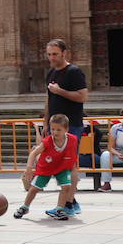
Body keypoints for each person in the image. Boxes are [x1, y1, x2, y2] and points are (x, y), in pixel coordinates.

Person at [41, 39, 87, 215]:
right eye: (49, 54)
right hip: (54, 128)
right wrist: (46, 123)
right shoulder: (51, 72)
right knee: (58, 166)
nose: (51, 58)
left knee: (69, 166)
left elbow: (83, 96)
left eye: (55, 54)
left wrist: (60, 91)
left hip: (71, 126)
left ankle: (67, 205)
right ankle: (71, 201)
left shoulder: (74, 72)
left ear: (64, 53)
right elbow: (48, 100)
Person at [15, 114, 78, 220]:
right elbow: (33, 153)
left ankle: (59, 209)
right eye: (53, 129)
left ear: (66, 129)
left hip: (62, 166)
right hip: (46, 167)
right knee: (34, 189)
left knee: (66, 186)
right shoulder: (47, 141)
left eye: (58, 129)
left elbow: (72, 154)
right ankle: (25, 207)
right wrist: (29, 168)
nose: (55, 132)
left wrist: (72, 166)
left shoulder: (73, 140)